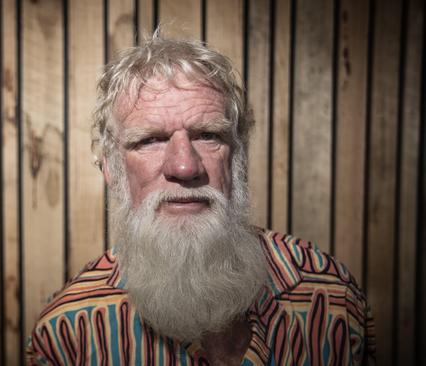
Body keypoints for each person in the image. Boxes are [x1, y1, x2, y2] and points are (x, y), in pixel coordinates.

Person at [26, 33, 375, 365]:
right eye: (149, 140)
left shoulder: (332, 299)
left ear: (237, 159)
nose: (184, 165)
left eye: (209, 135)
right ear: (112, 170)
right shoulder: (67, 333)